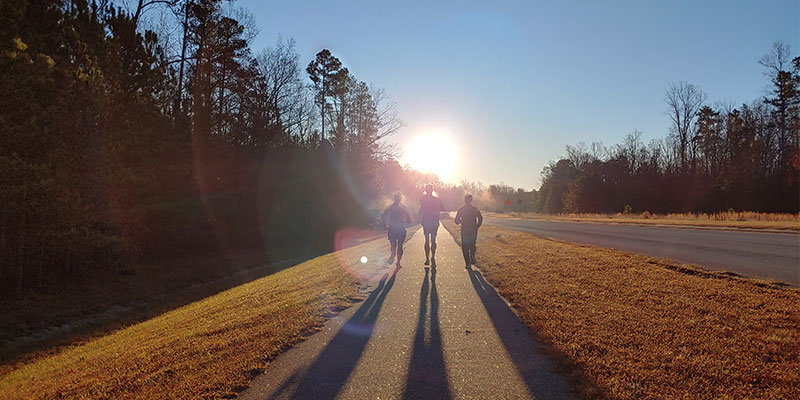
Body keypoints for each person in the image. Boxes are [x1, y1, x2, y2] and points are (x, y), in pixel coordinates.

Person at [419, 184, 445, 266]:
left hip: (427, 222)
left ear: (426, 190)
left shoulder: (423, 199)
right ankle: (432, 257)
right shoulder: (437, 200)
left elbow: (421, 209)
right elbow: (443, 208)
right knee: (433, 240)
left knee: (427, 240)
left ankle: (427, 258)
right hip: (433, 222)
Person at [382, 193, 411, 268]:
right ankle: (396, 259)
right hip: (398, 228)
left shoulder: (391, 207)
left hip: (394, 229)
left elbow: (384, 216)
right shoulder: (402, 208)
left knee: (396, 245)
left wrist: (384, 225)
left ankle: (395, 257)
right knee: (398, 245)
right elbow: (409, 220)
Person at [454, 194, 483, 267]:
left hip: (467, 230)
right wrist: (477, 226)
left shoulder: (462, 210)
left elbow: (456, 221)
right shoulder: (474, 209)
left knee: (466, 246)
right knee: (471, 244)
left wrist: (461, 221)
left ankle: (468, 262)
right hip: (471, 229)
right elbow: (480, 219)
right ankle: (471, 258)